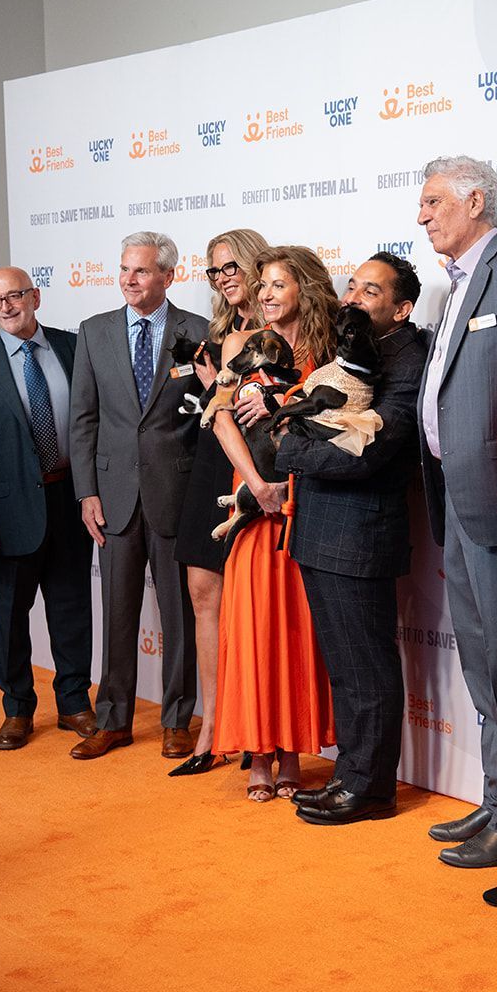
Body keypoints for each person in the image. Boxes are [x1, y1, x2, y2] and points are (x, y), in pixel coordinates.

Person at [415, 157, 497, 869]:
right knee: (477, 660)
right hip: (457, 504)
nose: (422, 214)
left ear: (474, 201)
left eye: (433, 201)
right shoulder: (454, 285)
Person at [276, 253, 428, 825]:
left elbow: (370, 452)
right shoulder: (353, 351)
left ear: (401, 307)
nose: (353, 298)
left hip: (359, 535)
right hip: (322, 529)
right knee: (346, 666)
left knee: (366, 667)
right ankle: (351, 775)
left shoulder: (407, 359)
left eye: (370, 291)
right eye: (352, 287)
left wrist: (288, 451)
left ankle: (370, 789)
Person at [69, 232, 207, 761]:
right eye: (124, 269)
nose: (129, 279)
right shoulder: (95, 331)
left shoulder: (197, 331)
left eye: (141, 271)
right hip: (115, 496)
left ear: (168, 276)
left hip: (176, 492)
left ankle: (177, 719)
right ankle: (113, 720)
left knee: (180, 616)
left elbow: (204, 419)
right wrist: (87, 492)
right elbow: (82, 420)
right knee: (117, 614)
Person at [0, 268, 95, 750]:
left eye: (15, 296)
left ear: (35, 297)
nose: (7, 308)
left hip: (70, 499)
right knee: (11, 614)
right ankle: (17, 708)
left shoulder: (74, 348)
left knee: (72, 605)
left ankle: (75, 702)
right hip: (10, 513)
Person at [211, 246, 337, 801]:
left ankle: (291, 751)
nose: (263, 293)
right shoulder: (240, 344)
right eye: (260, 284)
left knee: (294, 632)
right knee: (255, 629)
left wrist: (290, 485)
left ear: (303, 290)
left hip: (308, 503)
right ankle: (258, 752)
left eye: (276, 284)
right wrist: (254, 485)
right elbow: (220, 418)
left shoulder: (326, 352)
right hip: (255, 509)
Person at [171, 228, 269, 777]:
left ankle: (255, 730)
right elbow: (213, 407)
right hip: (211, 460)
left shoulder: (279, 329)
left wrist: (217, 391)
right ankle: (211, 727)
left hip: (253, 468)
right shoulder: (217, 333)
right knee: (202, 591)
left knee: (251, 605)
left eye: (232, 266)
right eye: (214, 270)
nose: (224, 277)